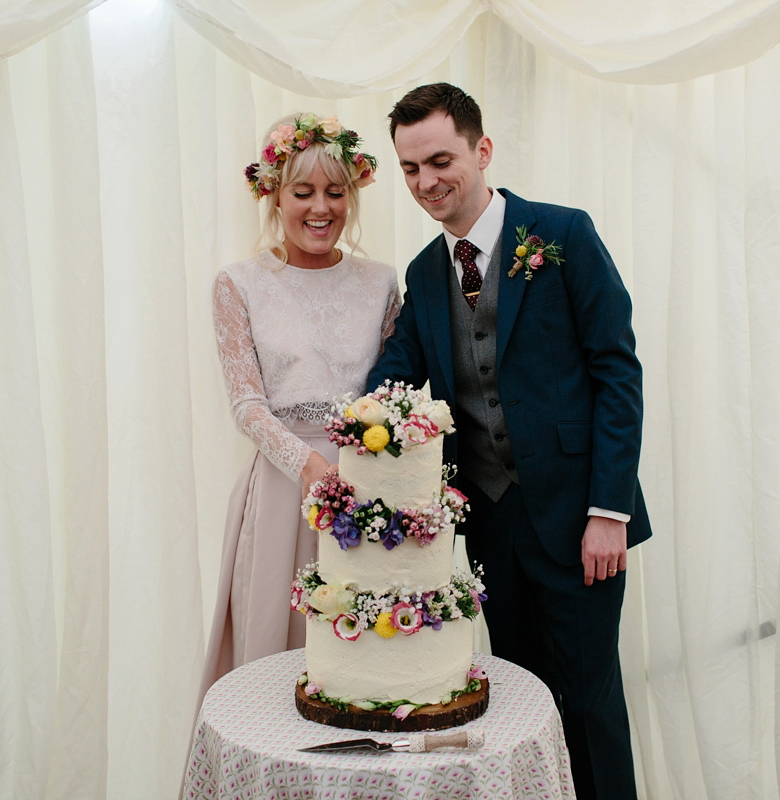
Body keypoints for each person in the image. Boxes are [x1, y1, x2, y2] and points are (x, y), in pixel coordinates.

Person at [367, 84, 652, 799]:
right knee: (524, 703)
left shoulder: (563, 235)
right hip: (492, 525)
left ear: (481, 149)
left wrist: (608, 513)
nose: (426, 182)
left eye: (439, 160)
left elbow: (618, 373)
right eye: (409, 168)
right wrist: (350, 416)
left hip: (582, 523)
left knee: (588, 701)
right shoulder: (425, 274)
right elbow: (396, 374)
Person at [199, 113, 399, 702]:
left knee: (365, 667)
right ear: (273, 195)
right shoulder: (238, 283)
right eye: (303, 191)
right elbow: (247, 404)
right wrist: (308, 467)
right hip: (285, 490)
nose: (321, 208)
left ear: (353, 195)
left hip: (366, 484)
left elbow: (391, 391)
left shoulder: (383, 283)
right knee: (277, 665)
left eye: (335, 193)